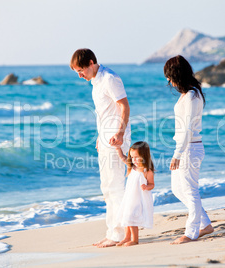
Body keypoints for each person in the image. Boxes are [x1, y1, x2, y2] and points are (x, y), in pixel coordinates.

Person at [70, 48, 131, 248]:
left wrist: (120, 134)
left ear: (91, 63)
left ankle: (120, 234)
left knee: (115, 187)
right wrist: (99, 136)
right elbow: (104, 113)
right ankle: (112, 232)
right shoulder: (96, 82)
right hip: (105, 139)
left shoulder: (110, 78)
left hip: (116, 139)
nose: (79, 75)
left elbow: (124, 106)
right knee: (106, 188)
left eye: (81, 70)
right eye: (77, 72)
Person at [164, 55, 214, 244]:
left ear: (177, 74)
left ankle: (191, 232)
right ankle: (205, 224)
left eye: (170, 76)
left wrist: (177, 154)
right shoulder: (187, 95)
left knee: (190, 190)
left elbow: (187, 128)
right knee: (177, 189)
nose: (169, 81)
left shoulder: (192, 95)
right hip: (185, 148)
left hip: (190, 149)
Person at [114, 141, 154, 247]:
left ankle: (135, 239)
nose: (134, 160)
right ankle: (127, 237)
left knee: (132, 218)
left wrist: (146, 187)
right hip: (129, 198)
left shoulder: (147, 171)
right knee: (126, 217)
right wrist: (118, 148)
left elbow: (152, 184)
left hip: (139, 198)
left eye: (136, 157)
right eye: (132, 157)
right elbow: (123, 158)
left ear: (144, 156)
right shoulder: (132, 167)